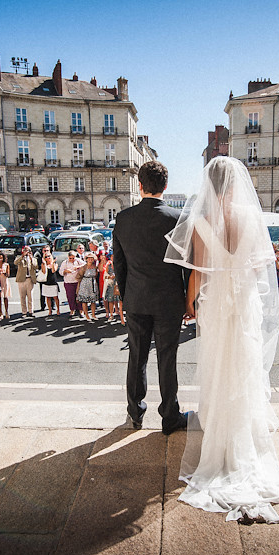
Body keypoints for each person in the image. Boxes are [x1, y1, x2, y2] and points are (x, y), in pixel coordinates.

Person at [164, 156, 279, 523]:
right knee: (244, 367)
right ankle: (244, 436)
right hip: (244, 303)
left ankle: (220, 439)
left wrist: (191, 305)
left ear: (210, 185)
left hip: (216, 306)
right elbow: (259, 265)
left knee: (217, 368)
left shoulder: (200, 221)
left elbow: (198, 275)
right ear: (235, 184)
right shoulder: (252, 217)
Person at [113, 160, 188, 434]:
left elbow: (119, 264)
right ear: (165, 187)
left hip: (136, 298)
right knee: (168, 358)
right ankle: (170, 416)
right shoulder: (177, 219)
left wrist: (126, 296)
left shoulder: (123, 218)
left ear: (140, 185)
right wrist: (187, 298)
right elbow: (185, 265)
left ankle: (135, 413)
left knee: (137, 357)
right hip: (169, 301)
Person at [76, 251, 100, 321]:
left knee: (93, 301)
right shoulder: (83, 267)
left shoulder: (95, 267)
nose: (90, 260)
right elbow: (78, 276)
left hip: (92, 284)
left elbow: (96, 275)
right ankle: (87, 315)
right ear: (86, 259)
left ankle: (93, 314)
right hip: (85, 284)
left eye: (92, 258)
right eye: (89, 258)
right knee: (84, 301)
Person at [14, 246, 37, 317]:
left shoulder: (33, 259)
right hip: (21, 279)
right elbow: (15, 262)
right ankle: (24, 312)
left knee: (30, 296)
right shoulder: (19, 257)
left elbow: (35, 266)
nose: (27, 252)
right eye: (25, 250)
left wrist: (31, 258)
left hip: (29, 279)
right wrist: (22, 256)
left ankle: (31, 311)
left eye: (28, 251)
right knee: (22, 296)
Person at [59, 250, 84, 316]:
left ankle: (81, 310)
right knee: (70, 297)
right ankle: (72, 309)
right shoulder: (65, 262)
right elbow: (60, 272)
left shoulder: (78, 261)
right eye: (70, 258)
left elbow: (85, 265)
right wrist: (66, 271)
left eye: (73, 258)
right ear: (68, 257)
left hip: (77, 281)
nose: (72, 259)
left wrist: (78, 267)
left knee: (79, 296)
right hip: (68, 282)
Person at [0, 252, 12, 320]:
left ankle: (6, 311)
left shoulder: (6, 264)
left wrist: (5, 273)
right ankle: (0, 312)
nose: (0, 259)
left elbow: (8, 274)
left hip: (5, 281)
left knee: (5, 297)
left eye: (1, 258)